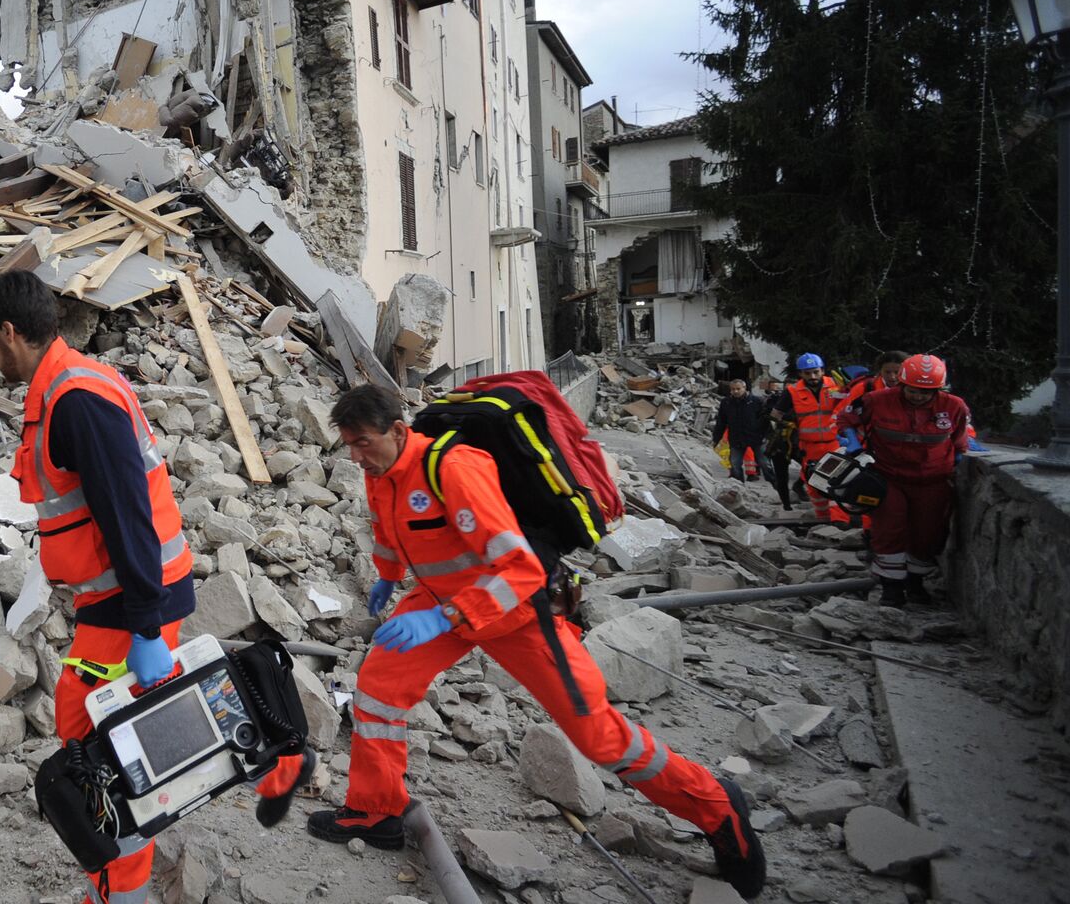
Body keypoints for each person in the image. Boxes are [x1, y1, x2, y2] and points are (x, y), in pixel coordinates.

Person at [304, 384, 766, 899]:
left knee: (598, 736)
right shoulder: (380, 471)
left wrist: (446, 617)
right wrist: (389, 575)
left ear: (397, 430)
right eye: (348, 445)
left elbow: (521, 568)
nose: (355, 455)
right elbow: (388, 528)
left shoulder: (454, 468)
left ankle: (716, 806)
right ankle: (376, 810)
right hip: (441, 602)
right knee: (378, 689)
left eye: (363, 442)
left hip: (515, 612)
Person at [0, 271, 312, 904]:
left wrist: (148, 626)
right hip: (122, 598)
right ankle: (276, 763)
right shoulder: (68, 385)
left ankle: (121, 890)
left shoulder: (76, 401)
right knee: (128, 726)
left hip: (131, 605)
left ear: (10, 333)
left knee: (99, 747)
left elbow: (126, 512)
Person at [836, 354, 971, 607]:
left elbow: (961, 438)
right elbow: (845, 419)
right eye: (913, 390)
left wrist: (960, 460)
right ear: (901, 384)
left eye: (926, 392)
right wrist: (852, 443)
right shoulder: (876, 401)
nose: (918, 396)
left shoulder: (954, 407)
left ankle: (916, 583)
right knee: (889, 530)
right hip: (890, 477)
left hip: (934, 481)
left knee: (928, 534)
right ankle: (892, 589)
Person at [776, 354, 843, 520]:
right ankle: (822, 518)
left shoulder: (836, 386)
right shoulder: (792, 392)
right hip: (809, 446)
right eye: (807, 373)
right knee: (814, 484)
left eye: (816, 372)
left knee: (837, 482)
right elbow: (776, 414)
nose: (812, 377)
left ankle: (839, 520)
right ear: (800, 374)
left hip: (834, 444)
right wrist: (789, 420)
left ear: (822, 370)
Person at [712, 379, 768, 482]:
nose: (736, 391)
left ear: (744, 388)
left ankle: (754, 474)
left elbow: (764, 421)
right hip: (735, 437)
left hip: (752, 437)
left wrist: (764, 435)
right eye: (733, 389)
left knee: (761, 461)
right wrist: (716, 438)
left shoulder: (756, 402)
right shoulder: (727, 403)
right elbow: (721, 422)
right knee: (734, 461)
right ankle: (738, 480)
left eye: (738, 389)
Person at [760, 376, 796, 509]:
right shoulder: (774, 400)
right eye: (788, 386)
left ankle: (798, 488)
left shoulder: (803, 401)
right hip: (778, 440)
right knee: (781, 475)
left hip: (799, 441)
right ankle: (786, 504)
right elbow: (766, 416)